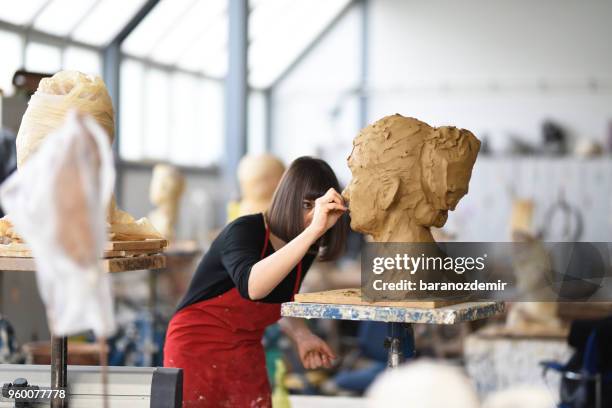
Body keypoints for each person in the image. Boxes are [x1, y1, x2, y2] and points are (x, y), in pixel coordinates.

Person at [164, 156, 348, 407]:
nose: (312, 217)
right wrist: (313, 231)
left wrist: (302, 335)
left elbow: (280, 299)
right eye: (306, 205)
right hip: (197, 346)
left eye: (323, 208)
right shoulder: (244, 230)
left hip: (245, 348)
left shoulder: (306, 248)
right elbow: (254, 287)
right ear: (286, 198)